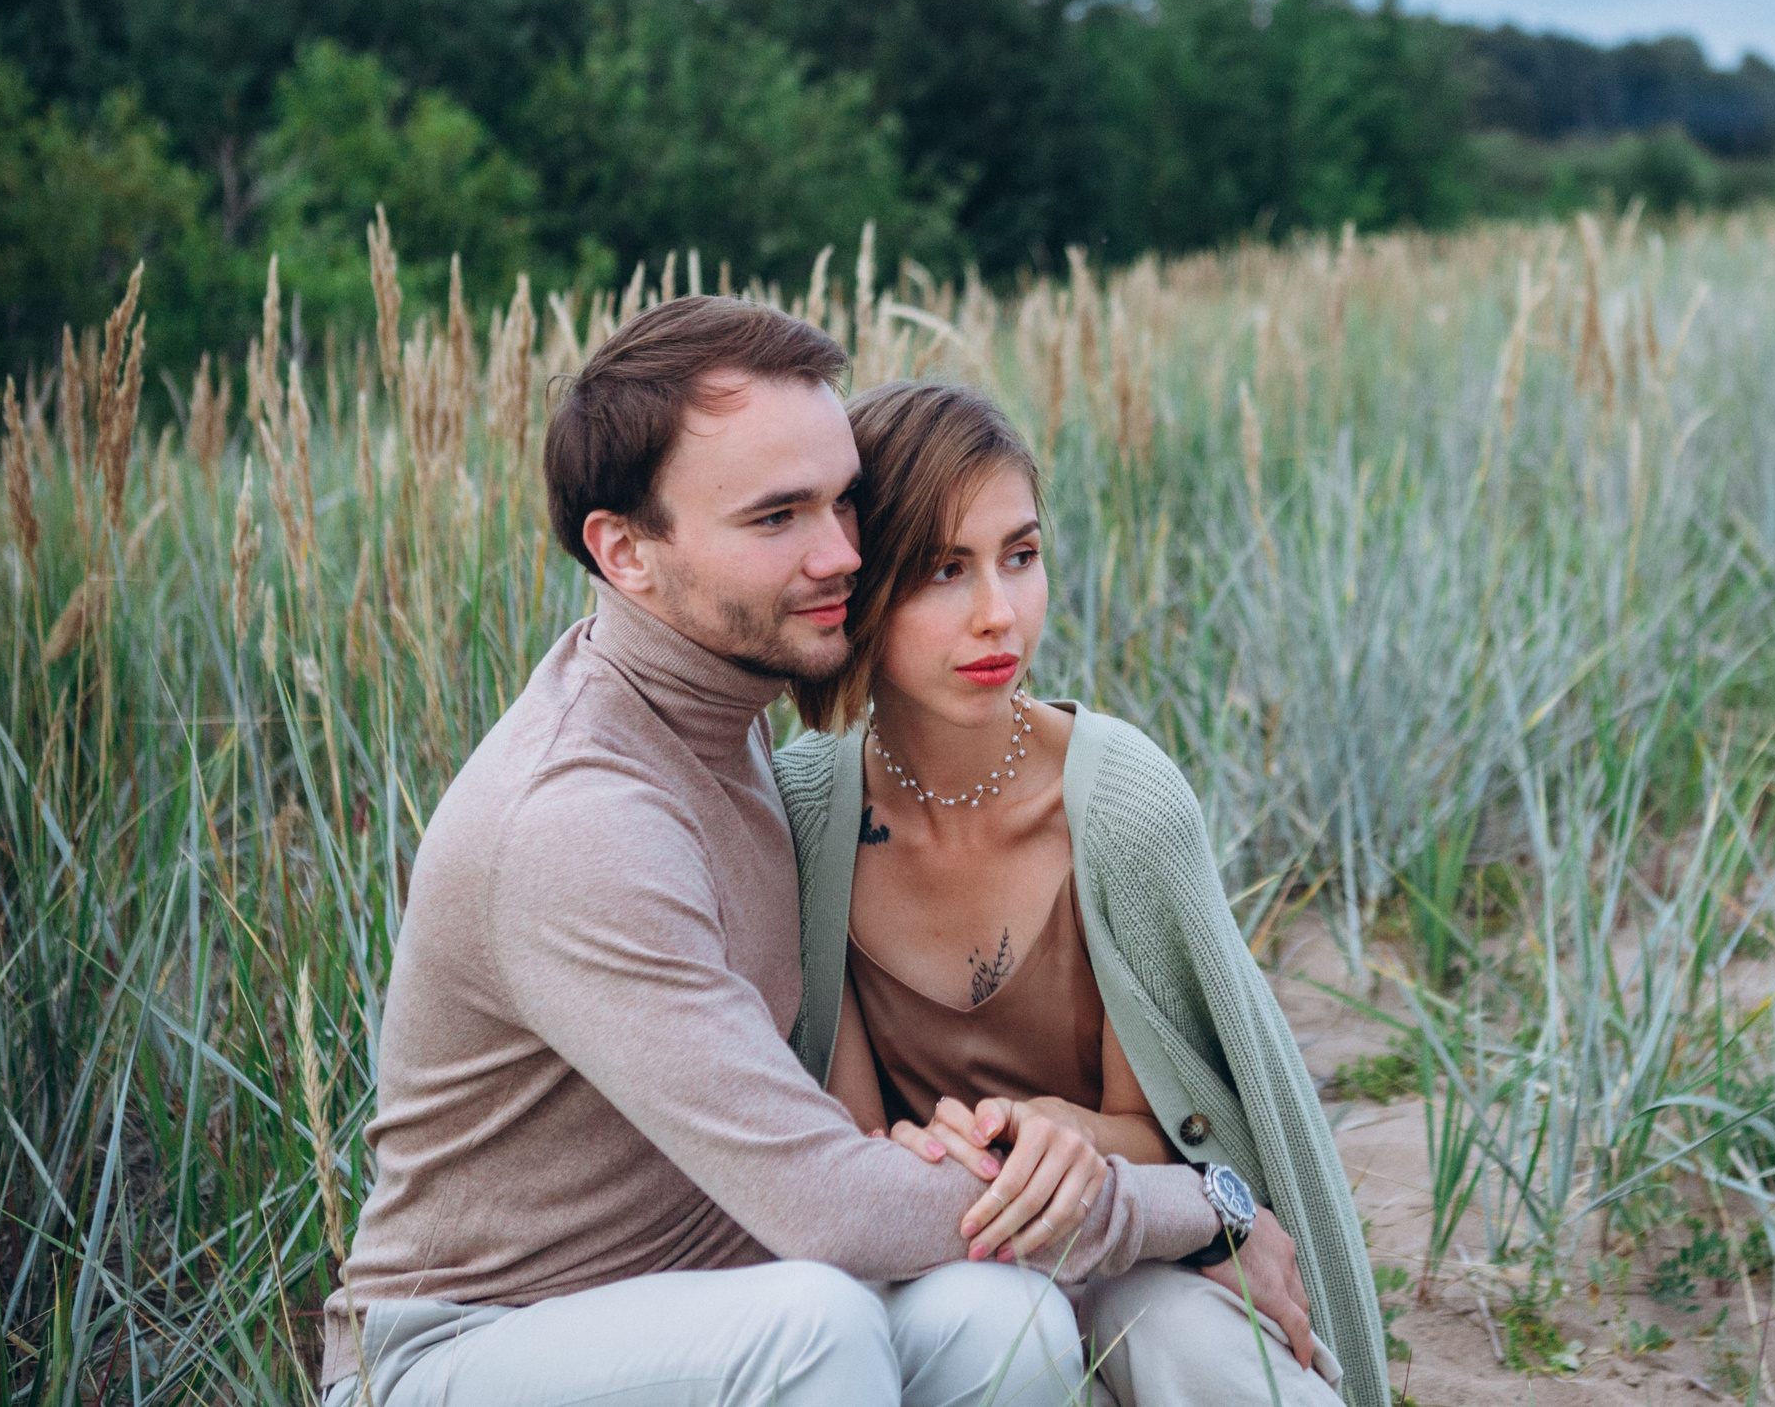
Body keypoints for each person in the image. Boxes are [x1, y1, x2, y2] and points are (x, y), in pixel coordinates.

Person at [324, 299, 1283, 1407]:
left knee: (999, 1317)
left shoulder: (733, 727)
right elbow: (831, 1209)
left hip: (700, 1296)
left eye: (842, 502)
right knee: (813, 1325)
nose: (841, 555)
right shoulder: (576, 820)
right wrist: (1198, 1211)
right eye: (777, 516)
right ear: (625, 551)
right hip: (472, 1348)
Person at [771, 380, 1388, 1407]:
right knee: (999, 1334)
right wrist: (951, 1157)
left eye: (1021, 555)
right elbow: (851, 1151)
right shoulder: (804, 811)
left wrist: (1065, 1132)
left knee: (1199, 1348)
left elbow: (1176, 1126)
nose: (998, 615)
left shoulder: (1120, 801)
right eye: (941, 570)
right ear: (861, 584)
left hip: (1136, 1241)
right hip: (939, 1267)